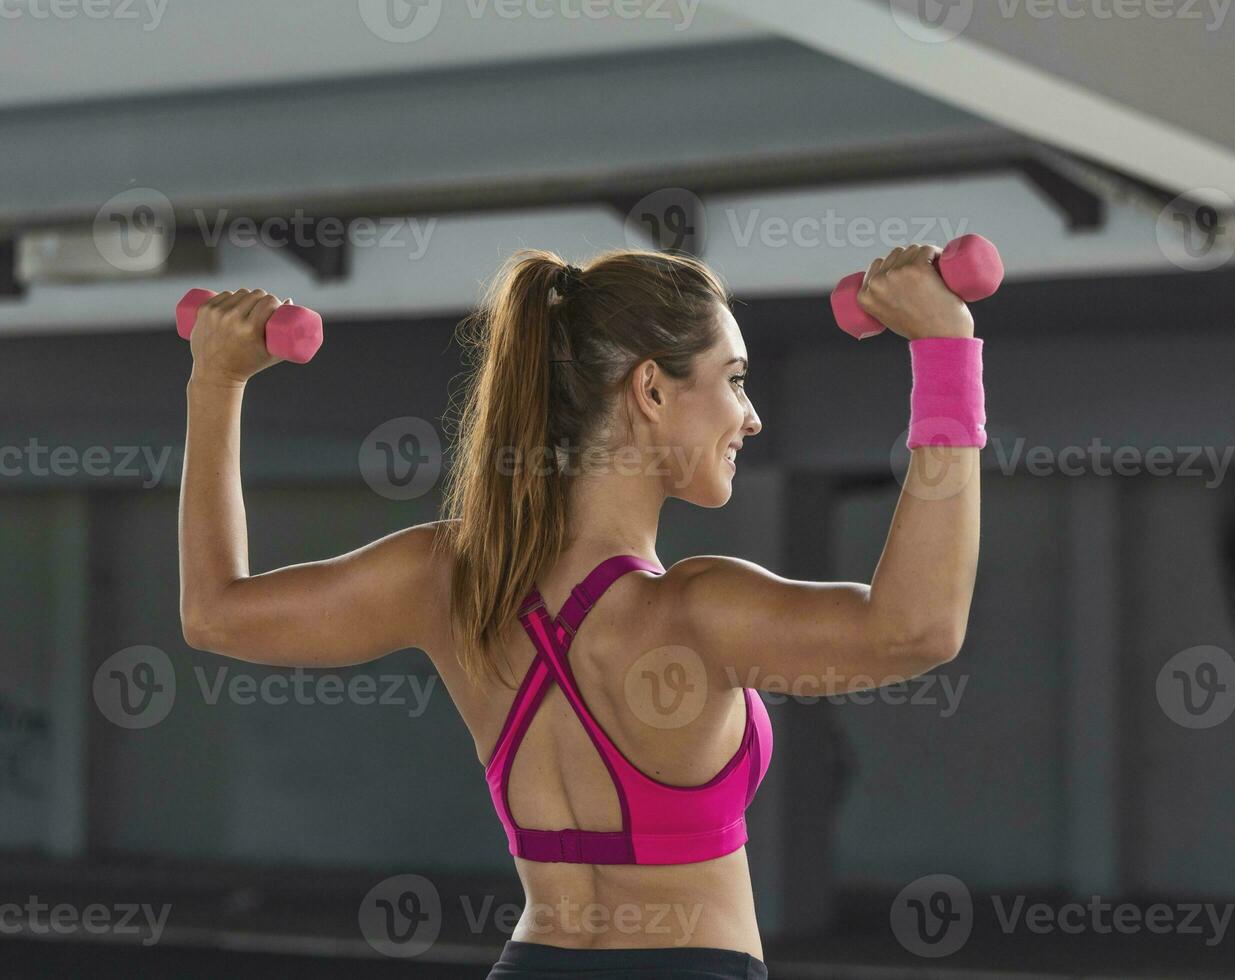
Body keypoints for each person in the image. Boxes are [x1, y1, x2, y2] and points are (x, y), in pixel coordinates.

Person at [177, 244, 984, 979]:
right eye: (734, 381)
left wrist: (216, 381)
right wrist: (944, 349)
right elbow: (917, 628)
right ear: (652, 389)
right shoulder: (697, 612)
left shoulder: (446, 577)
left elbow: (216, 613)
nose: (752, 415)